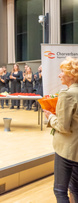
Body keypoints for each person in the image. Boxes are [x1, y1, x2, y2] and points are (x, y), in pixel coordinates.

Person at [44, 57, 78, 203]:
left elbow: (63, 127)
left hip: (67, 150)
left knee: (60, 191)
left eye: (62, 72)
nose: (59, 75)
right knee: (76, 189)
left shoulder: (67, 94)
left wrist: (50, 117)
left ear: (71, 75)